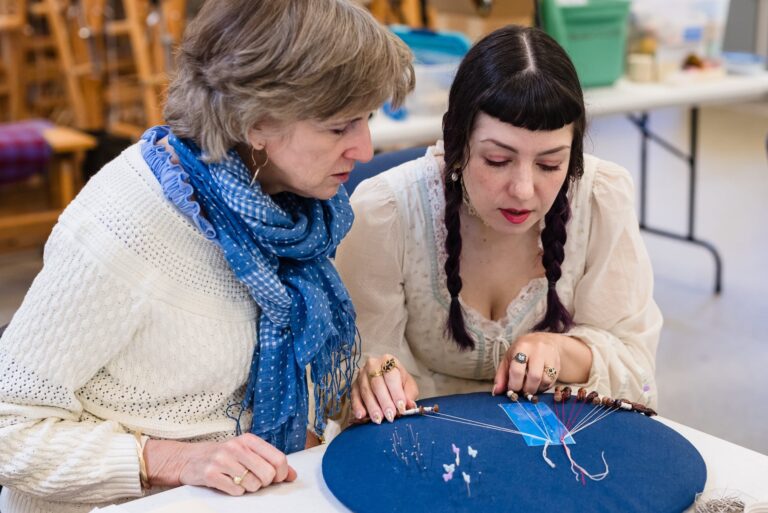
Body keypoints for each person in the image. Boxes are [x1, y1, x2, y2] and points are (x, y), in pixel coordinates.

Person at [0, 1, 413, 511]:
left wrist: (361, 377)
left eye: (367, 120)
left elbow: (259, 363)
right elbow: (9, 426)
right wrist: (173, 459)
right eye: (339, 127)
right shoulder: (127, 225)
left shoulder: (289, 209)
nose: (366, 149)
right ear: (255, 121)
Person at [335, 25, 662, 427]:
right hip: (429, 444)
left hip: (553, 450)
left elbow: (637, 371)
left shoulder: (600, 198)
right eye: (497, 160)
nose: (523, 190)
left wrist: (561, 352)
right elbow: (352, 371)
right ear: (456, 143)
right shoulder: (386, 212)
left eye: (549, 165)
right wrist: (375, 379)